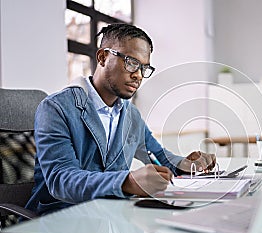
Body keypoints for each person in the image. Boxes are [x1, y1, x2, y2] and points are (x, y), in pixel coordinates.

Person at [26, 23, 216, 215]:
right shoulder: (57, 108)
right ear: (102, 57)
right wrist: (127, 182)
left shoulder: (131, 115)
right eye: (131, 63)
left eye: (144, 68)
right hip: (60, 221)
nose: (138, 75)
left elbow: (159, 156)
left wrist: (186, 164)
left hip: (107, 217)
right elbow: (61, 180)